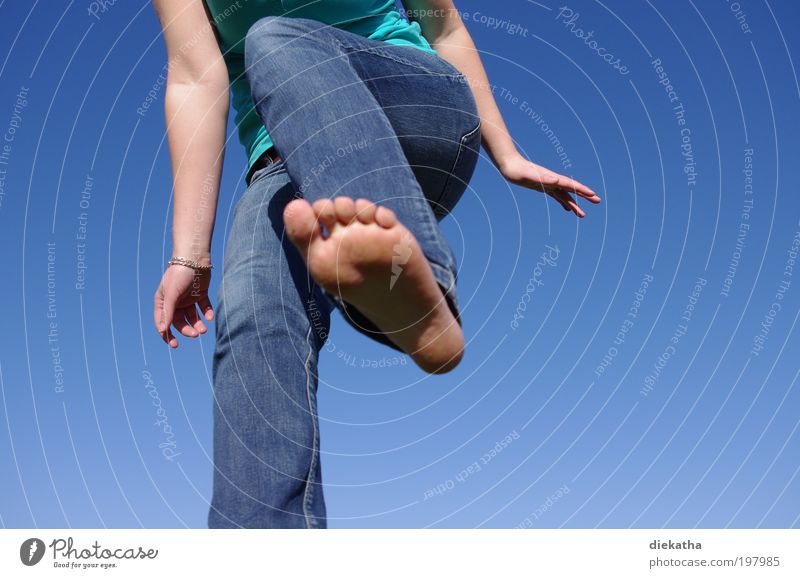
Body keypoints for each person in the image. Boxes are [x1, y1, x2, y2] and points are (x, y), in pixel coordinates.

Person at [151, 0, 600, 528]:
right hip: (283, 167)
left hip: (418, 111)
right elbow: (195, 78)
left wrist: (508, 155)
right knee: (253, 313)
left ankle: (420, 290)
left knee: (274, 39)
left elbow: (444, 25)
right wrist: (190, 252)